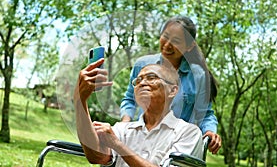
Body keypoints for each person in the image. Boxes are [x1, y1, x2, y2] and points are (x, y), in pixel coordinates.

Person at [120, 16, 221, 154]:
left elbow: (205, 113)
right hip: (144, 138)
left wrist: (210, 131)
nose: (167, 44)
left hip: (178, 144)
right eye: (165, 36)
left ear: (189, 46)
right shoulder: (142, 65)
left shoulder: (198, 75)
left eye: (176, 41)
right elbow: (129, 99)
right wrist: (125, 124)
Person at [74, 61, 204, 167]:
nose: (141, 83)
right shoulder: (122, 129)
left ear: (172, 90)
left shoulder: (188, 132)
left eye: (151, 78)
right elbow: (96, 157)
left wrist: (117, 145)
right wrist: (80, 101)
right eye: (138, 81)